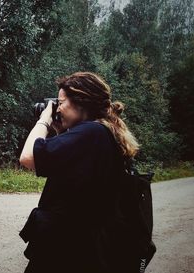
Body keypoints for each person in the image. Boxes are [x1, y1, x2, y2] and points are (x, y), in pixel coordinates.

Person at [19, 72, 140, 273]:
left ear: (80, 102)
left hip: (67, 251)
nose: (58, 108)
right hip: (84, 248)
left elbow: (28, 157)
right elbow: (73, 176)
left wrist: (44, 120)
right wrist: (59, 133)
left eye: (60, 102)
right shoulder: (103, 133)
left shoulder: (92, 133)